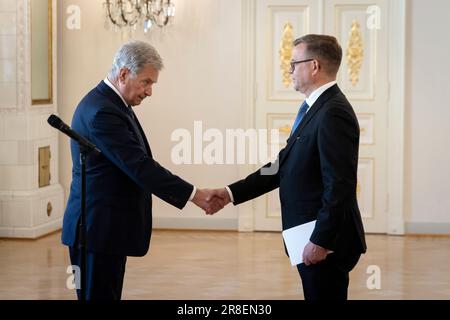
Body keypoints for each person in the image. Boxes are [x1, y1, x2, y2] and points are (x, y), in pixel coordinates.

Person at [208, 34, 367, 300]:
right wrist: (230, 193)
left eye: (294, 63)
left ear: (314, 66)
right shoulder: (314, 108)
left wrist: (321, 240)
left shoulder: (333, 112)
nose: (289, 70)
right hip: (306, 234)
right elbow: (283, 166)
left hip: (324, 241)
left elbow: (340, 184)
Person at [62, 41, 223, 300]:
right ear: (124, 73)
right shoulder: (103, 111)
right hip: (96, 230)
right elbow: (139, 167)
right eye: (146, 82)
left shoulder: (113, 104)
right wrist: (195, 194)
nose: (149, 92)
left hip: (106, 231)